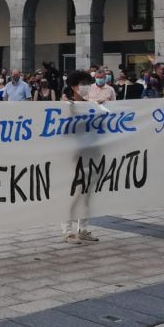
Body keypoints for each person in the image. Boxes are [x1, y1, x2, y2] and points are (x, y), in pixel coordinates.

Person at [60, 70, 99, 244]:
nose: (86, 87)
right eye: (83, 84)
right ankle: (67, 231)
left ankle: (83, 228)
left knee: (86, 193)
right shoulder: (65, 105)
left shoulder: (90, 105)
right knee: (70, 193)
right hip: (71, 156)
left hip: (89, 154)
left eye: (87, 84)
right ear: (74, 86)